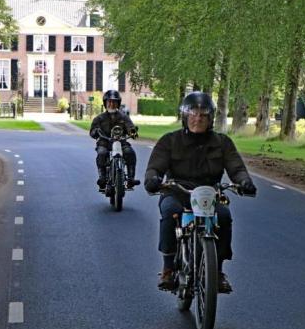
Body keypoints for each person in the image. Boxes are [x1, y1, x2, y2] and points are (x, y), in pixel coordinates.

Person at [144, 91, 257, 293]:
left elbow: (236, 168)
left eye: (203, 115)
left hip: (209, 194)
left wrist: (244, 181)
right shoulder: (169, 141)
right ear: (185, 117)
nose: (198, 118)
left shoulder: (222, 143)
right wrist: (153, 179)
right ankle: (168, 267)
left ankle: (218, 271)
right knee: (170, 212)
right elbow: (155, 166)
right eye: (193, 114)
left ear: (211, 118)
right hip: (177, 191)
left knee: (223, 216)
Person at [90, 90, 139, 189]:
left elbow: (130, 127)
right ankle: (102, 178)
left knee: (130, 152)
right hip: (105, 142)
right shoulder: (99, 118)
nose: (112, 104)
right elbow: (92, 132)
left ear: (118, 103)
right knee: (102, 153)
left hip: (120, 142)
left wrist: (133, 132)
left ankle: (130, 179)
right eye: (109, 101)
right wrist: (96, 132)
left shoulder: (124, 117)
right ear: (105, 103)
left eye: (114, 102)